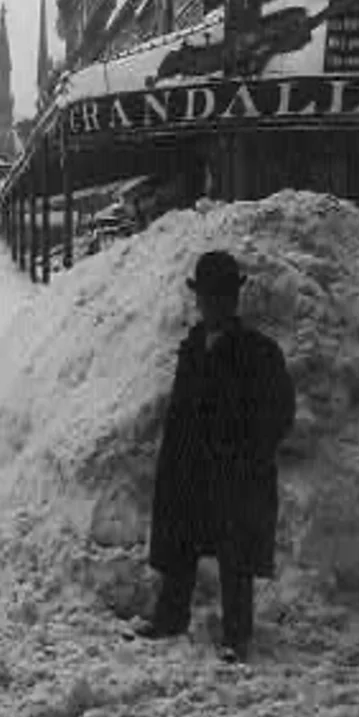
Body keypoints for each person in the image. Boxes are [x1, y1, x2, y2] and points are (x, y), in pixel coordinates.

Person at [129, 250, 295, 664]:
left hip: (235, 472)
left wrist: (250, 454)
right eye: (206, 296)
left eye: (221, 296)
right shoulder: (192, 348)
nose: (212, 304)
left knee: (235, 555)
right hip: (192, 466)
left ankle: (237, 636)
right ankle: (171, 619)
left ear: (233, 300)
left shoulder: (258, 352)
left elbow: (280, 411)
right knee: (181, 543)